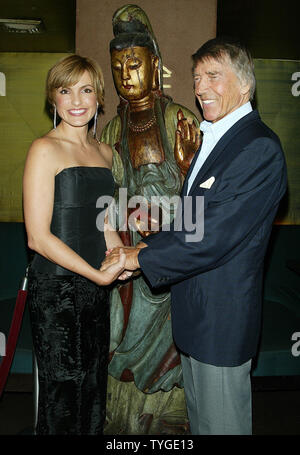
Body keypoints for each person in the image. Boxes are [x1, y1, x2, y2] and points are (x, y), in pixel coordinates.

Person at [102, 38, 287, 435]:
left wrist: (137, 258)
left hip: (220, 324)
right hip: (193, 321)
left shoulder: (258, 148)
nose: (201, 88)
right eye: (197, 77)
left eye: (213, 77)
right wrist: (140, 245)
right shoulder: (211, 139)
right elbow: (190, 220)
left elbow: (212, 235)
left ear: (245, 85)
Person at [100, 4, 200, 434]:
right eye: (118, 65)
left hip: (170, 260)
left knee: (173, 348)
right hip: (127, 261)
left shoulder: (180, 120)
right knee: (118, 336)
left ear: (155, 65)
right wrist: (131, 221)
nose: (126, 74)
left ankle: (168, 417)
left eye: (135, 63)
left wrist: (189, 169)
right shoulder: (109, 132)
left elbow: (203, 213)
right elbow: (104, 203)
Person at [23, 54, 127, 435]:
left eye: (86, 90)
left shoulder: (105, 153)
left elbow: (106, 223)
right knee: (63, 392)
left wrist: (121, 258)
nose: (77, 100)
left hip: (94, 287)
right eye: (66, 90)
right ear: (53, 98)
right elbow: (37, 237)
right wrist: (98, 275)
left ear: (99, 98)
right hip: (55, 289)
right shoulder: (43, 149)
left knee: (94, 385)